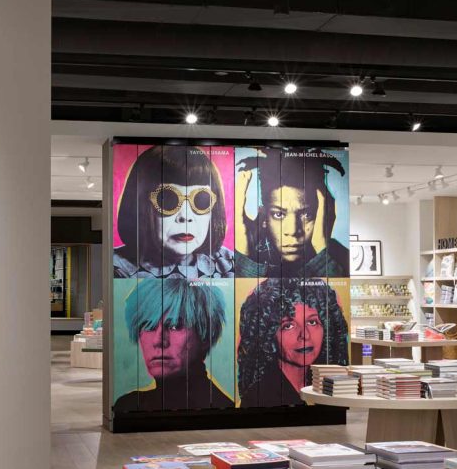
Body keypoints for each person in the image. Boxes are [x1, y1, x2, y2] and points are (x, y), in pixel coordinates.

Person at [114, 145, 234, 278]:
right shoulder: (116, 268)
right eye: (167, 200)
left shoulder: (229, 263)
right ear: (139, 206)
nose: (186, 216)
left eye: (201, 201)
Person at [114, 277, 232, 413]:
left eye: (175, 326)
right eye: (148, 326)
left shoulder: (221, 408)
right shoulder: (129, 405)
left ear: (205, 335)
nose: (158, 341)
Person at [235, 149, 348, 277]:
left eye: (306, 215)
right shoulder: (232, 258)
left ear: (322, 214)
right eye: (279, 214)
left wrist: (322, 255)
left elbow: (337, 289)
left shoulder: (340, 258)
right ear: (264, 217)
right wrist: (244, 257)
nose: (293, 231)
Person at [238, 279, 349, 407]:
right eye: (288, 326)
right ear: (268, 335)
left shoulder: (323, 382)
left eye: (312, 322)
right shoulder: (259, 397)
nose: (305, 335)